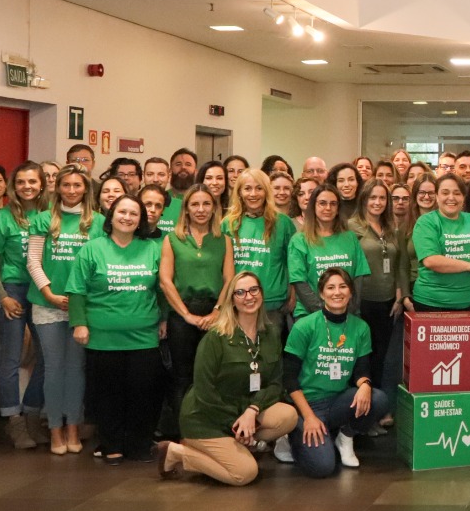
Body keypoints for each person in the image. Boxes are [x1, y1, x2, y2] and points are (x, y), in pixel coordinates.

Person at [158, 272, 299, 486]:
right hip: (206, 418)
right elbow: (204, 392)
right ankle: (176, 453)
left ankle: (235, 445)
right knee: (245, 474)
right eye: (240, 292)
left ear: (261, 294)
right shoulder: (216, 337)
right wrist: (236, 425)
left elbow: (275, 384)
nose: (248, 297)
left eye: (253, 290)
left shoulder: (270, 333)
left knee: (288, 415)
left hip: (242, 411)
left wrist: (252, 411)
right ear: (231, 300)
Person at [66, 194, 164, 465]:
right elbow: (76, 290)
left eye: (134, 214)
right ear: (111, 216)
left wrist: (164, 320)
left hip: (143, 337)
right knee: (107, 396)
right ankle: (111, 445)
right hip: (101, 337)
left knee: (143, 396)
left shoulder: (153, 248)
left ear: (141, 220)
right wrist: (79, 323)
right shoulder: (92, 249)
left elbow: (163, 289)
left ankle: (139, 445)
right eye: (122, 212)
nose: (127, 218)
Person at [283, 268, 391, 476]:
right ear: (321, 293)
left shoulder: (360, 328)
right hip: (306, 405)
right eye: (330, 287)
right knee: (323, 467)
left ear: (350, 292)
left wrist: (365, 385)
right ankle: (289, 437)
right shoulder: (305, 326)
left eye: (343, 287)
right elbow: (289, 378)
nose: (337, 292)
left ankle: (345, 436)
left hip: (337, 402)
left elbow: (361, 369)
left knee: (378, 399)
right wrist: (309, 417)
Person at [27, 168, 94, 455]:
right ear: (57, 187)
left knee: (76, 370)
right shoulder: (44, 220)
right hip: (47, 304)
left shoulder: (97, 221)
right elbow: (33, 261)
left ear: (85, 188)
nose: (70, 189)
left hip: (82, 306)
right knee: (53, 369)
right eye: (65, 184)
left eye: (77, 185)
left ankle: (73, 428)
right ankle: (55, 429)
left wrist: (78, 299)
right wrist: (49, 294)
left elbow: (97, 266)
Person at [158, 184, 233, 439]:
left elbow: (229, 279)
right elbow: (165, 281)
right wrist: (186, 315)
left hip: (216, 314)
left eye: (206, 204)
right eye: (195, 204)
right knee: (182, 377)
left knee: (213, 376)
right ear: (186, 209)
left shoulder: (223, 240)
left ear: (214, 209)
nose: (201, 210)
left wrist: (217, 312)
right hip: (182, 314)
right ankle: (184, 434)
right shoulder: (173, 239)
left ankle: (212, 432)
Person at [0, 161, 48, 449]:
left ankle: (32, 412)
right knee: (10, 357)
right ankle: (13, 419)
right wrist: (2, 296)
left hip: (43, 289)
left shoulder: (49, 216)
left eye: (32, 181)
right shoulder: (2, 218)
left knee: (46, 356)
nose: (27, 187)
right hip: (13, 289)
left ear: (42, 184)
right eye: (21, 182)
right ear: (14, 186)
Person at [351, 179, 404, 413]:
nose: (378, 202)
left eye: (383, 198)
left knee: (381, 358)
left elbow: (399, 264)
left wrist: (400, 294)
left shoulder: (391, 228)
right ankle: (360, 412)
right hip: (361, 302)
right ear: (364, 199)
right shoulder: (352, 227)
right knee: (363, 359)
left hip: (387, 303)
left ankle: (377, 410)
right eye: (373, 197)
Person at [224, 170, 295, 341]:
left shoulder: (283, 223)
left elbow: (294, 262)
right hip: (237, 303)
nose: (253, 194)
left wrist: (293, 295)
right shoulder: (228, 223)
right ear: (239, 192)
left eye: (259, 188)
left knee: (270, 357)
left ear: (266, 191)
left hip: (272, 304)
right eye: (247, 189)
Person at [289, 186, 371, 318]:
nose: (328, 208)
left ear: (338, 208)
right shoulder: (299, 240)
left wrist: (348, 309)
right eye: (322, 203)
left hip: (348, 314)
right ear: (313, 206)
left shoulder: (350, 237)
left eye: (333, 204)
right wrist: (325, 312)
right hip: (310, 315)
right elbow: (299, 282)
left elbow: (358, 277)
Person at [411, 175, 470, 312]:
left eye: (457, 193)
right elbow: (431, 261)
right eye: (445, 193)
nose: (451, 197)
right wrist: (469, 266)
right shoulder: (426, 222)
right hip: (432, 303)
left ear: (463, 197)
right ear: (437, 196)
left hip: (469, 301)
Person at [401, 175, 438, 307]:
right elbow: (402, 265)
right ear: (415, 195)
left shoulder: (444, 222)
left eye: (431, 193)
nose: (426, 197)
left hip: (438, 287)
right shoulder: (406, 225)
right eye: (422, 192)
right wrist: (405, 296)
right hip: (413, 288)